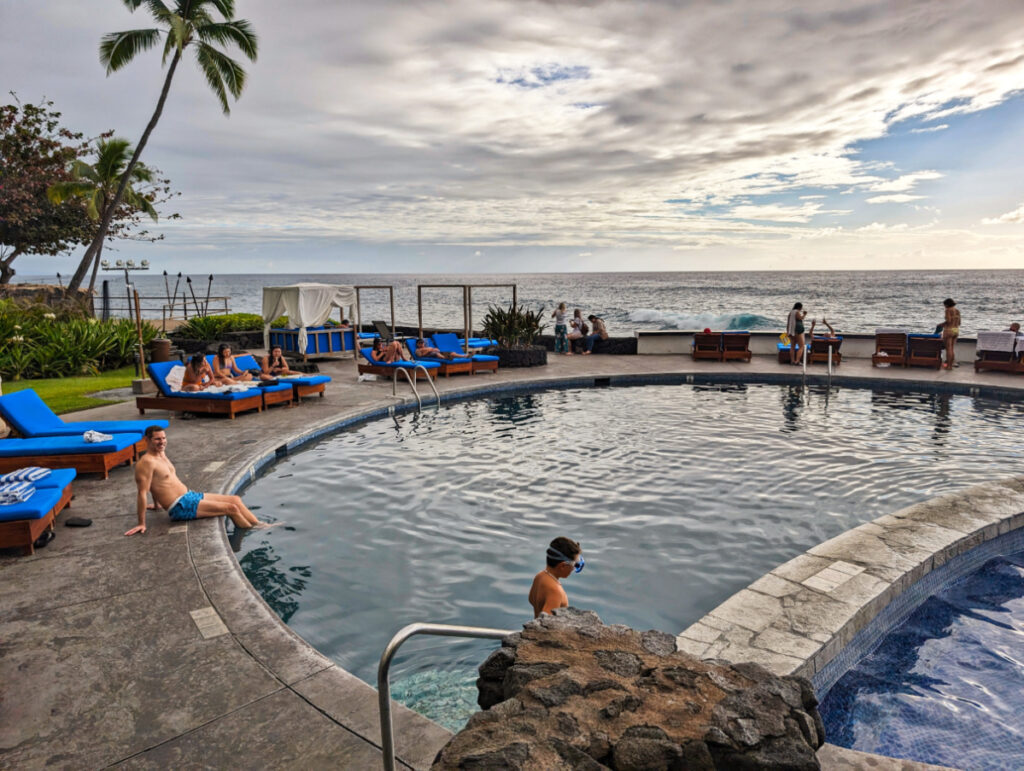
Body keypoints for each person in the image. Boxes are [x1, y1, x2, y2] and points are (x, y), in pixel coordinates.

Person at [126, 426, 271, 535]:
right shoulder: (146, 463)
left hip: (188, 496)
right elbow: (142, 492)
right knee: (231, 509)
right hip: (179, 507)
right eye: (157, 439)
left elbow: (156, 483)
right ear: (147, 440)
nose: (162, 442)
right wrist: (141, 523)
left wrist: (157, 504)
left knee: (235, 500)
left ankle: (259, 524)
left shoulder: (161, 454)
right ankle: (251, 533)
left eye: (163, 438)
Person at [528, 536, 584, 618]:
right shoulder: (555, 591)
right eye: (575, 564)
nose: (574, 568)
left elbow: (532, 601)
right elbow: (546, 624)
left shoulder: (539, 576)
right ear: (562, 566)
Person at [941, 298, 961, 369]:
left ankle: (949, 366)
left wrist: (941, 324)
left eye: (944, 305)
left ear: (947, 304)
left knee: (948, 349)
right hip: (956, 330)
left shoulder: (948, 310)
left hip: (949, 330)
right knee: (952, 348)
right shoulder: (957, 311)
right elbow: (959, 323)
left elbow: (948, 321)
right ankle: (951, 365)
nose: (944, 306)